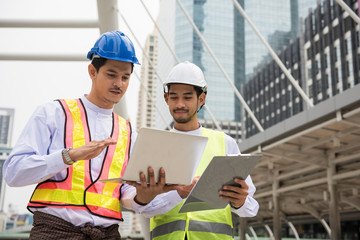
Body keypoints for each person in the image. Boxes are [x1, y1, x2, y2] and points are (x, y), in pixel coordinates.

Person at [3, 31, 183, 240]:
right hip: (54, 232)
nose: (119, 83)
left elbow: (127, 197)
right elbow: (14, 172)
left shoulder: (129, 133)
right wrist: (69, 156)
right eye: (111, 74)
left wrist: (150, 193)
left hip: (108, 235)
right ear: (92, 71)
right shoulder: (53, 114)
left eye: (125, 77)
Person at [149, 61, 259, 240]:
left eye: (187, 97)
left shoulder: (226, 143)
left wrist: (239, 202)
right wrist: (177, 193)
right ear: (166, 98)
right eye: (174, 97)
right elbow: (145, 206)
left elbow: (251, 208)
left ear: (201, 99)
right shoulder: (156, 145)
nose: (180, 104)